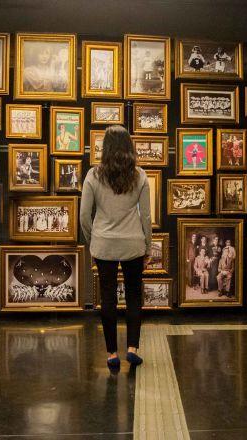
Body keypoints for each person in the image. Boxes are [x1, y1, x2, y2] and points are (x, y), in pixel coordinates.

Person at [80, 125, 151, 370]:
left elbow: (83, 216)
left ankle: (111, 354)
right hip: (133, 243)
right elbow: (146, 218)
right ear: (129, 147)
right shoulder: (140, 175)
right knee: (133, 296)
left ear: (105, 148)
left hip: (104, 244)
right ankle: (132, 348)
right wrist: (148, 247)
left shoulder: (93, 175)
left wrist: (93, 241)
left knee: (107, 297)